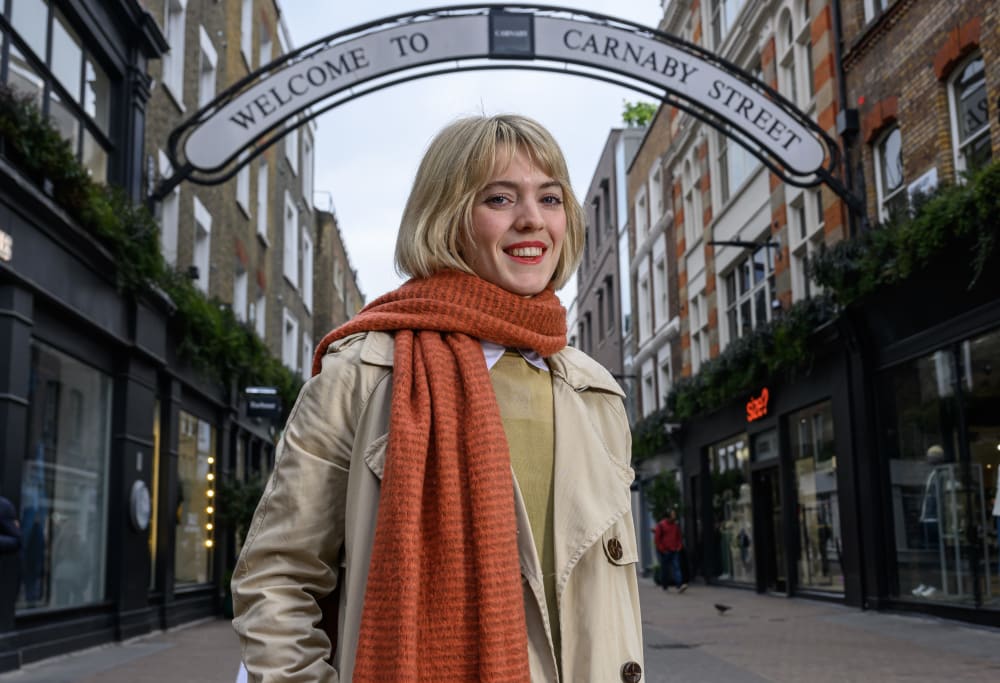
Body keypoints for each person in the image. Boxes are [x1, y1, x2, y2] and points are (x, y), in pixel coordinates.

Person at [232, 114, 644, 682]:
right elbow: (277, 575)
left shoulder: (595, 391)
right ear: (447, 217)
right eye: (500, 198)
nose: (532, 220)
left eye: (550, 198)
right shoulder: (364, 375)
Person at [654, 508, 686, 592]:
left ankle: (679, 585)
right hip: (665, 551)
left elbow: (679, 537)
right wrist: (662, 550)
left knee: (676, 567)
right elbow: (657, 539)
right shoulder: (661, 525)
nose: (674, 516)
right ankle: (665, 585)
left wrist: (679, 546)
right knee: (665, 569)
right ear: (668, 516)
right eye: (673, 514)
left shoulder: (675, 525)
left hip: (674, 550)